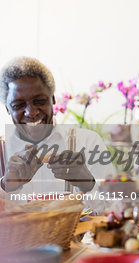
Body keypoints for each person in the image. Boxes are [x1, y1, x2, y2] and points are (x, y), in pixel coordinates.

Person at [0, 56, 113, 198]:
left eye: (40, 101)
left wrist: (88, 183)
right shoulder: (2, 150)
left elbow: (117, 207)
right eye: (18, 105)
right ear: (7, 108)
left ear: (53, 98)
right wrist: (5, 186)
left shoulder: (88, 142)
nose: (31, 112)